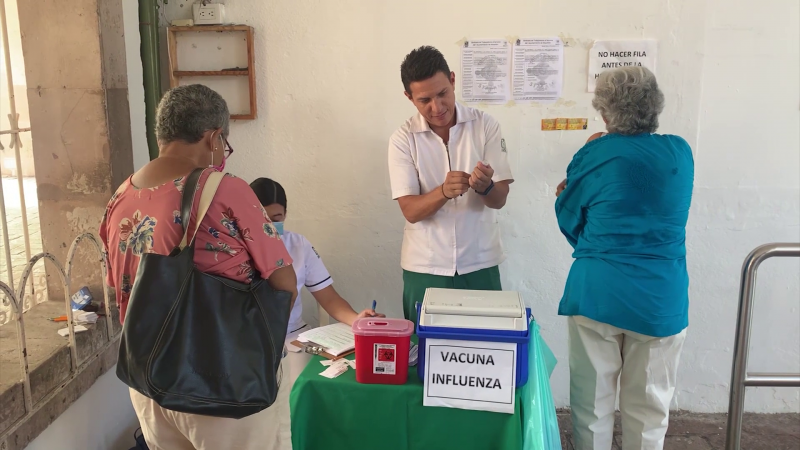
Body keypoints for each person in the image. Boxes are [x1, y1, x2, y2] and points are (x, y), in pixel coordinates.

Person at [99, 84, 298, 450]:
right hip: (222, 383)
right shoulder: (225, 188)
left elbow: (118, 284)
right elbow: (284, 282)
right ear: (213, 137)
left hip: (148, 381)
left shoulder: (120, 198)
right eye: (224, 144)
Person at [554, 66, 694, 450]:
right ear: (654, 106)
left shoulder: (595, 153)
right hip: (659, 300)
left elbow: (570, 219)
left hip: (597, 292)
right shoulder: (680, 153)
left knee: (591, 409)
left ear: (604, 111)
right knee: (649, 413)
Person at [388, 46, 513, 323]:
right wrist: (443, 192)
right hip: (425, 267)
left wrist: (486, 188)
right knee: (425, 356)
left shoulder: (485, 126)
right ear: (409, 97)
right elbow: (410, 211)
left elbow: (500, 199)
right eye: (424, 100)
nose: (437, 107)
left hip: (480, 262)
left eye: (443, 93)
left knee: (487, 352)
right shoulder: (403, 139)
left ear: (453, 80)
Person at [249, 177, 383, 334]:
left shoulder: (298, 245)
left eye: (276, 219)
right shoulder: (232, 248)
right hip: (249, 338)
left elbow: (329, 298)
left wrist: (357, 320)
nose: (269, 227)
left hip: (291, 334)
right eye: (262, 218)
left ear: (285, 215)